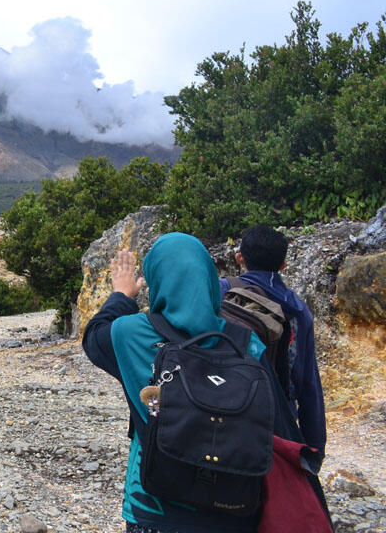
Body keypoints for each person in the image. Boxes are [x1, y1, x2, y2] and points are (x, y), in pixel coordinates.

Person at [83, 233, 268, 533]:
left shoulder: (130, 334)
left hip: (154, 510)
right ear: (209, 279)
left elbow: (94, 335)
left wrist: (122, 294)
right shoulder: (249, 344)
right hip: (235, 511)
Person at [220, 224, 326, 459]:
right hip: (278, 417)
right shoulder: (298, 310)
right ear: (283, 265)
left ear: (240, 258)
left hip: (226, 407)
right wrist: (314, 446)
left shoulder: (223, 292)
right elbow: (308, 382)